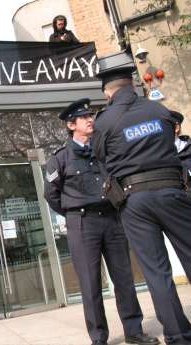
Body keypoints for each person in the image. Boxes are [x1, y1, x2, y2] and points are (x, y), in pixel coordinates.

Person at [44, 99, 158, 345]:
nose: (90, 120)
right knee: (90, 283)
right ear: (71, 124)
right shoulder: (60, 158)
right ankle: (98, 337)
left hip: (112, 219)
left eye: (91, 116)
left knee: (124, 279)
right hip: (83, 223)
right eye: (84, 118)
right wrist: (74, 214)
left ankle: (134, 332)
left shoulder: (104, 151)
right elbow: (51, 195)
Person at [92, 65, 191, 345]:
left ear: (107, 93)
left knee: (157, 271)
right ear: (132, 86)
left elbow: (101, 158)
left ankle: (179, 335)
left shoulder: (104, 121)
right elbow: (170, 143)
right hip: (173, 189)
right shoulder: (159, 110)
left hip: (134, 199)